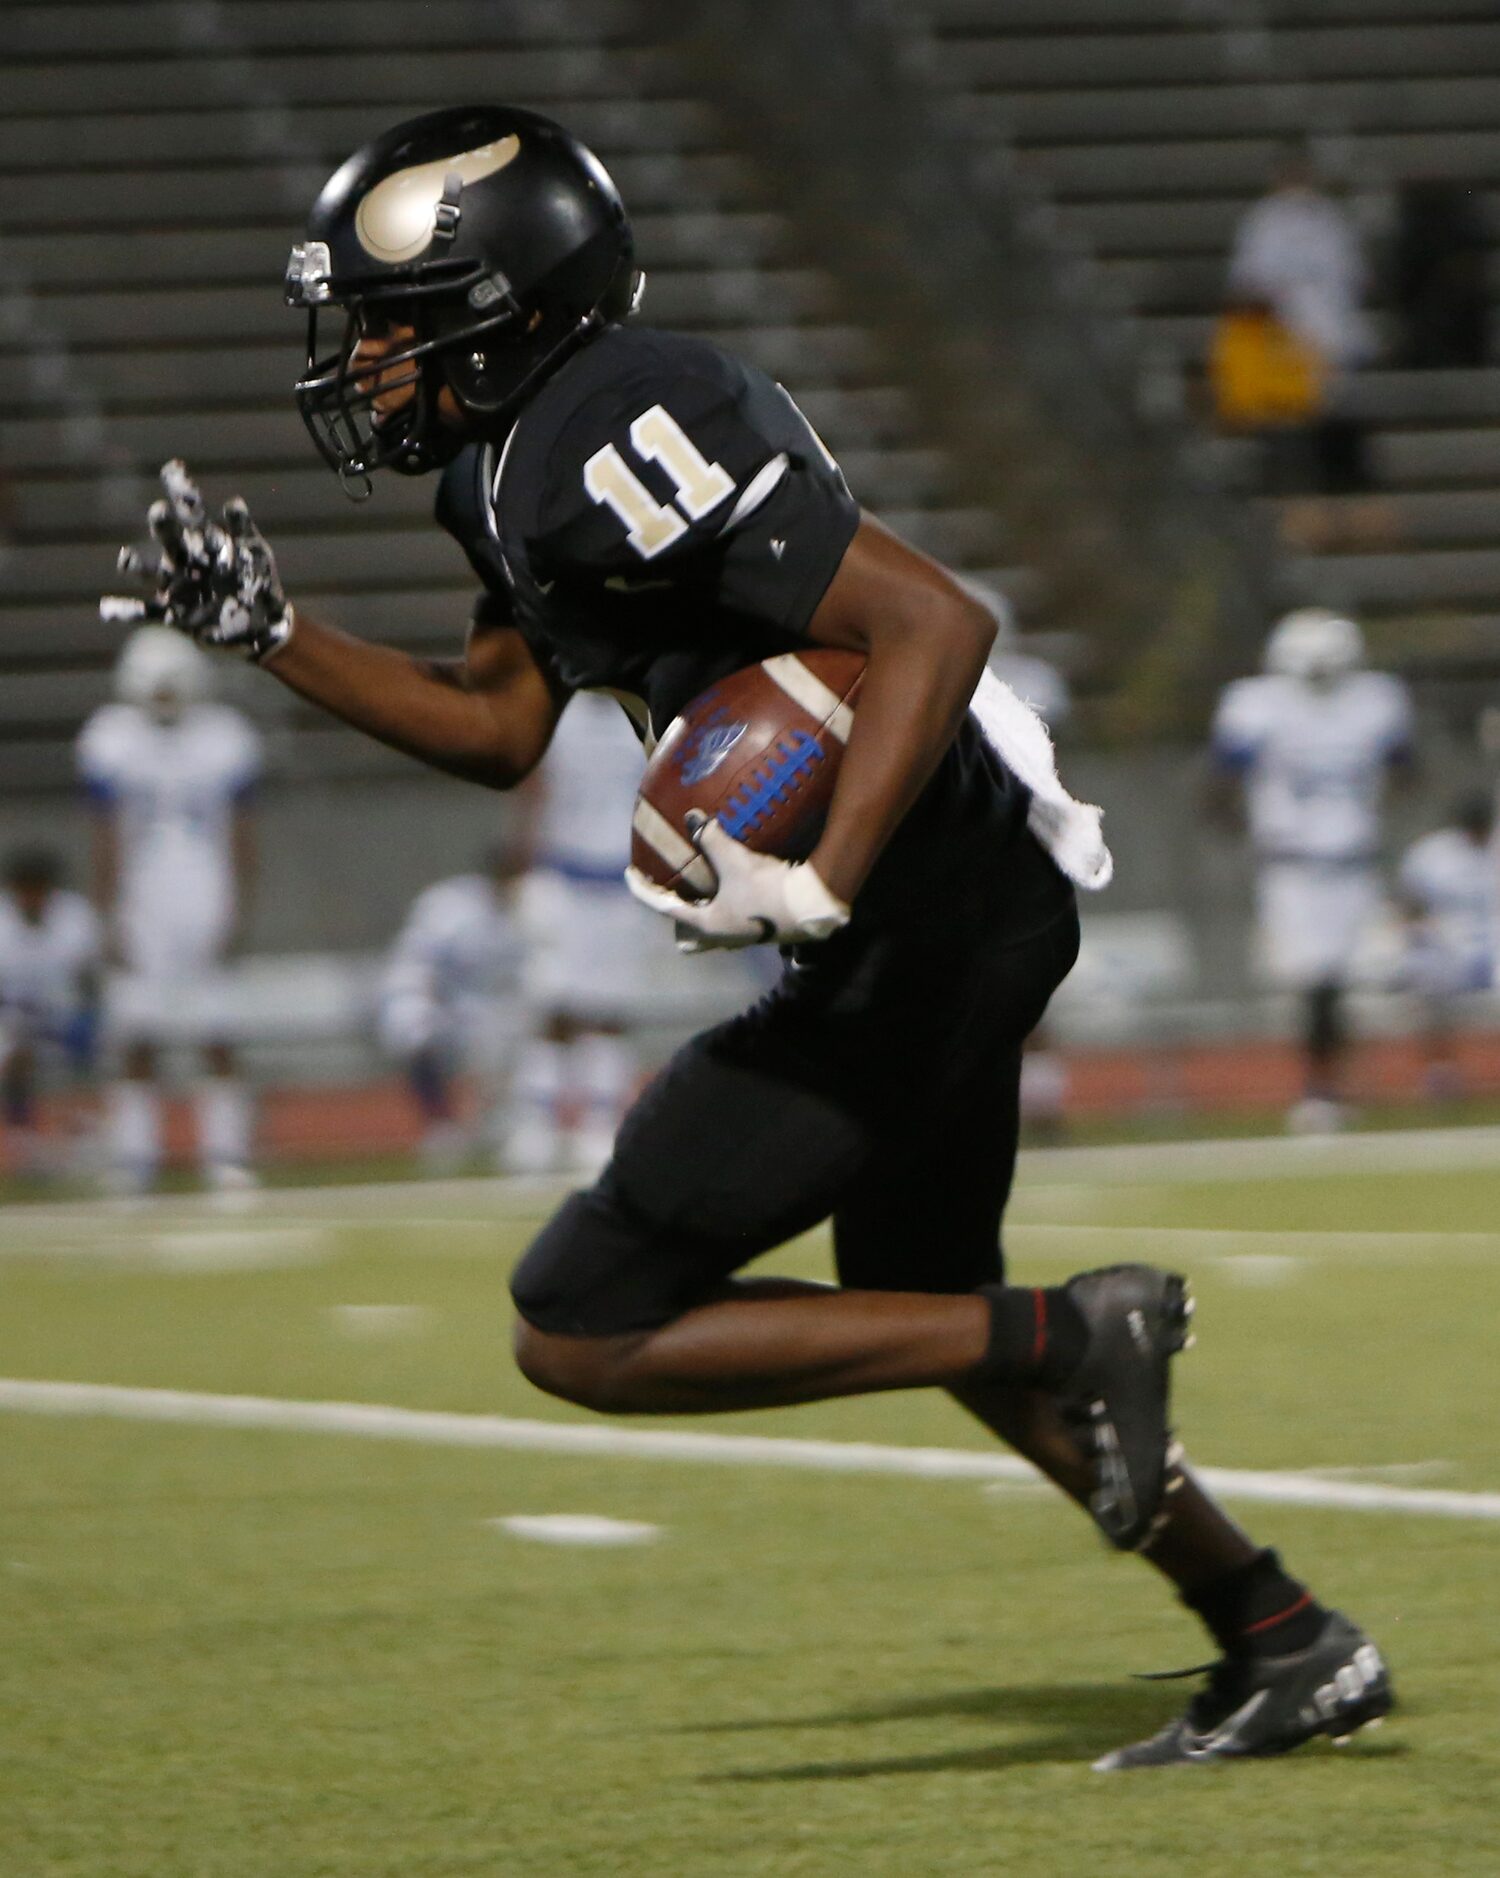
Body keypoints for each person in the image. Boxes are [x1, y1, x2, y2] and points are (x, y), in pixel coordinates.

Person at [103, 105, 1391, 1766]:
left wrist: (834, 873)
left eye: (393, 325)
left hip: (921, 912)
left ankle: (1087, 1332)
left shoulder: (622, 415)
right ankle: (1282, 1630)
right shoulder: (511, 472)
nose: (367, 363)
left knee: (581, 1319)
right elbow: (500, 726)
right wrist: (274, 632)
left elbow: (931, 621)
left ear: (507, 312)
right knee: (916, 1297)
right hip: (938, 912)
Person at [1209, 607, 1414, 1132]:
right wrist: (1247, 831)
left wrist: (1371, 809)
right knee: (1314, 979)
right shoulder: (1258, 706)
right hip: (1292, 863)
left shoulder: (1375, 701)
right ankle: (1321, 1091)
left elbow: (1405, 767)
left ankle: (1333, 1089)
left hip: (1353, 858)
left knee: (1349, 979)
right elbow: (1219, 781)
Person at [77, 626, 263, 1195]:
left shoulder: (224, 737)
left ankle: (225, 1153)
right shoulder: (111, 738)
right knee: (137, 1032)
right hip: (142, 892)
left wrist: (241, 905)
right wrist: (106, 912)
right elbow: (105, 837)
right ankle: (136, 1156)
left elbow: (241, 833)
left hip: (205, 888)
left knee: (217, 1029)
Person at [510, 689, 654, 1174]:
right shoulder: (559, 716)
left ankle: (599, 1118)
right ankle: (541, 1121)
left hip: (622, 875)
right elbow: (535, 791)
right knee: (553, 1001)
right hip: (565, 872)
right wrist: (526, 865)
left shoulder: (643, 718)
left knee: (610, 1005)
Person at [378, 846, 527, 1170]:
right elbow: (417, 965)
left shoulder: (535, 910)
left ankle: (499, 1119)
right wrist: (432, 1007)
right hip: (438, 998)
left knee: (511, 1030)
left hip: (485, 1006)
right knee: (411, 1021)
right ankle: (440, 1125)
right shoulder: (450, 906)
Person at [0, 847, 101, 1179]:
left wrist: (85, 1017)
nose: (33, 898)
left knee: (87, 1037)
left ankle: (79, 1133)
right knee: (16, 1049)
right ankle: (22, 1138)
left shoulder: (75, 918)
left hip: (61, 1014)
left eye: (39, 888)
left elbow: (90, 981)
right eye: (26, 889)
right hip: (10, 1017)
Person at [1396, 792, 1496, 1101]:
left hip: (1494, 941)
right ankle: (1441, 1072)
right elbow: (1410, 905)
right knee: (1425, 969)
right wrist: (1425, 932)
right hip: (1449, 944)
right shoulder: (1433, 854)